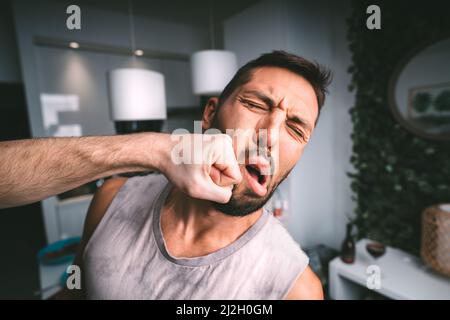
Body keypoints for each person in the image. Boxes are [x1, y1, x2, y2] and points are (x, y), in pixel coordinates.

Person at [1, 50, 331, 299]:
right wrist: (158, 149)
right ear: (210, 113)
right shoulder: (111, 198)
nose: (270, 135)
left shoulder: (297, 288)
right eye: (257, 105)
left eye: (295, 128)